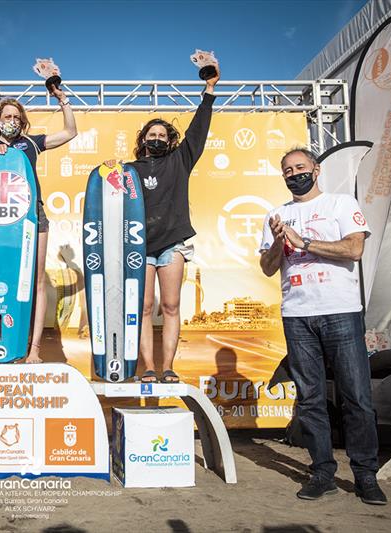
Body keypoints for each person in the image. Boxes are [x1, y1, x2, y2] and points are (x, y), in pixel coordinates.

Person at [259, 147, 386, 505]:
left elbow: (353, 250)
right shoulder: (276, 214)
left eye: (300, 167)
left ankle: (365, 476)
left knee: (357, 397)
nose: (294, 173)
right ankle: (322, 472)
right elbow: (268, 267)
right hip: (297, 315)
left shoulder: (341, 204)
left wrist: (305, 242)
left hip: (341, 311)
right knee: (310, 399)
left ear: (316, 170)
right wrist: (280, 243)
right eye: (287, 170)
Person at [0, 88, 77, 363]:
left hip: (32, 216)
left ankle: (34, 350)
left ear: (23, 120)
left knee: (36, 282)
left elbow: (69, 132)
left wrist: (62, 100)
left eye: (17, 116)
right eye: (7, 115)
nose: (12, 120)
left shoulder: (31, 143)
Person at [125, 66, 219, 383]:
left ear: (170, 140)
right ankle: (148, 368)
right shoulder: (129, 170)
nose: (156, 139)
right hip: (139, 245)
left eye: (162, 135)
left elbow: (198, 130)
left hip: (172, 243)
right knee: (143, 307)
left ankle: (168, 367)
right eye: (151, 136)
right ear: (143, 140)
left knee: (171, 305)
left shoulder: (180, 159)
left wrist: (209, 91)